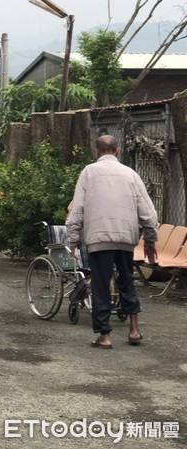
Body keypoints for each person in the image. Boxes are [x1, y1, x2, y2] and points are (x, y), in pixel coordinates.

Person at [66, 135, 158, 349]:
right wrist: (151, 241)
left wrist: (73, 238)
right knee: (127, 281)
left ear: (97, 151)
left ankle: (105, 336)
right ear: (117, 151)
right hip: (126, 238)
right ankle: (134, 330)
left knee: (100, 285)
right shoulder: (131, 174)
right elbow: (148, 212)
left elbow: (77, 208)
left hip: (99, 239)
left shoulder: (88, 172)